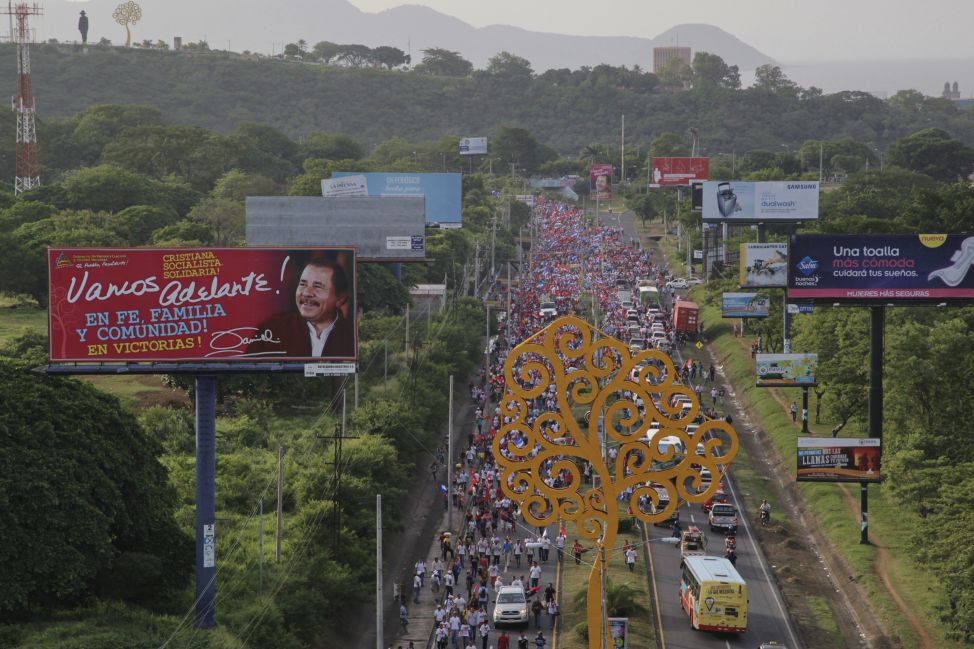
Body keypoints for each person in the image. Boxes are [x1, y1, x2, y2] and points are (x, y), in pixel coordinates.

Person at [246, 254, 355, 358]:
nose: (307, 292)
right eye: (302, 284)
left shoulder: (352, 337)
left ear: (340, 299)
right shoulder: (271, 330)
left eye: (318, 286)